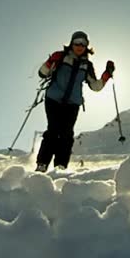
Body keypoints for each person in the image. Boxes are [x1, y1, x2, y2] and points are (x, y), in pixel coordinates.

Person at [35, 30, 114, 172]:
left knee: (67, 134)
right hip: (53, 99)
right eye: (77, 42)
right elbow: (42, 73)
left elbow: (95, 86)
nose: (80, 46)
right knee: (53, 130)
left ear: (87, 46)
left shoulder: (87, 65)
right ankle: (42, 164)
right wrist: (50, 61)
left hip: (72, 104)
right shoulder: (61, 57)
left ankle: (61, 166)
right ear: (71, 43)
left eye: (83, 44)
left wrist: (106, 74)